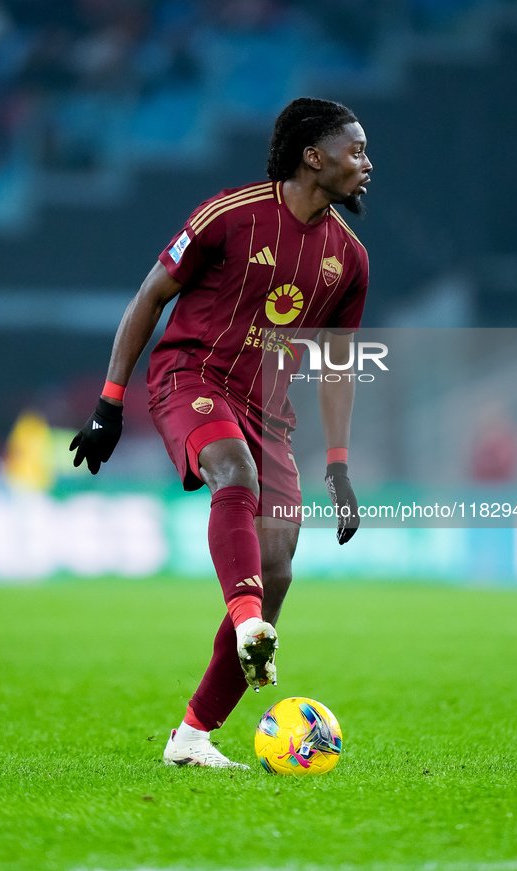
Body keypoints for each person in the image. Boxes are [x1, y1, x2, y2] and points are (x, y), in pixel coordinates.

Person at [70, 97, 372, 769]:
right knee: (232, 479)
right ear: (311, 156)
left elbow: (339, 366)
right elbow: (150, 296)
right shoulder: (229, 215)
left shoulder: (348, 260)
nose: (366, 164)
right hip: (191, 373)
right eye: (355, 151)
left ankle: (192, 736)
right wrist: (109, 404)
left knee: (278, 570)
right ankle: (246, 622)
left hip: (268, 408)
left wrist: (340, 465)